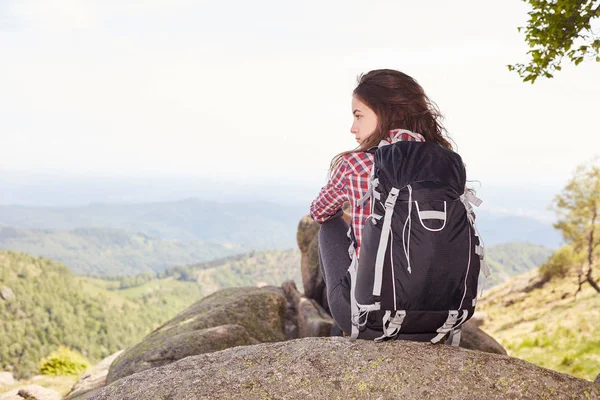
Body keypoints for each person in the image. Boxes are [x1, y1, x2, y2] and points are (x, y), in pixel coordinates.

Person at [310, 69, 455, 340]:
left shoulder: (355, 164)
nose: (353, 128)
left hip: (373, 321)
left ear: (384, 112)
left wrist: (351, 218)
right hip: (437, 321)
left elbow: (319, 211)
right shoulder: (446, 162)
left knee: (329, 226)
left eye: (358, 115)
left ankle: (345, 329)